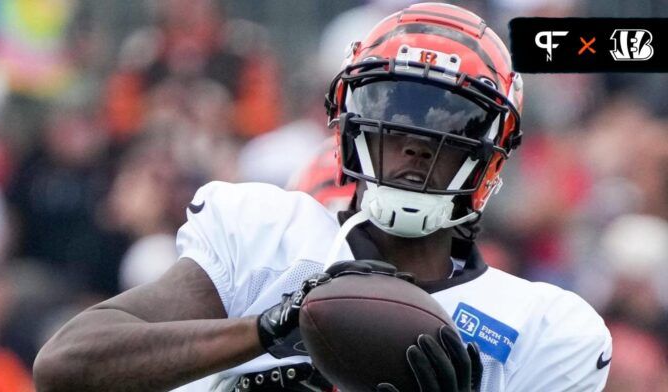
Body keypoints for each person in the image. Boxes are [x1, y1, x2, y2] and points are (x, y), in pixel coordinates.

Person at [33, 3, 612, 392]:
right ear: (351, 122)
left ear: (490, 152)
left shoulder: (545, 329)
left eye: (449, 123)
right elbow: (67, 363)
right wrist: (267, 330)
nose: (415, 144)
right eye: (394, 114)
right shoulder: (266, 232)